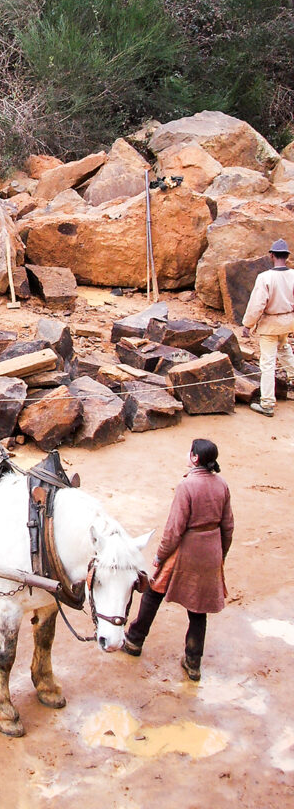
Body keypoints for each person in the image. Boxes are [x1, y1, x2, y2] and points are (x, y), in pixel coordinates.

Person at [122, 438, 234, 682]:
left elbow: (173, 530)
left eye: (189, 451)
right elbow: (228, 526)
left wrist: (160, 556)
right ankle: (193, 663)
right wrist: (220, 555)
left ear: (194, 458)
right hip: (211, 551)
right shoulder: (222, 485)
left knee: (153, 593)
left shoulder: (187, 487)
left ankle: (134, 640)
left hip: (185, 551)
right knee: (198, 609)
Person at [241, 238, 294, 417]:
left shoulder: (265, 277)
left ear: (271, 255)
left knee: (268, 363)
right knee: (285, 349)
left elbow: (257, 305)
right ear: (286, 256)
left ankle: (267, 403)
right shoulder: (293, 275)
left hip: (270, 325)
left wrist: (248, 325)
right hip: (287, 322)